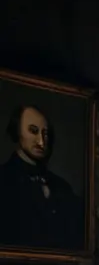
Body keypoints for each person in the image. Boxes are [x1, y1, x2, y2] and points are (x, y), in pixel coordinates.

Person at [0, 104, 84, 250]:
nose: (41, 142)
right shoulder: (3, 179)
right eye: (33, 131)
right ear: (17, 132)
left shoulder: (62, 187)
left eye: (45, 134)